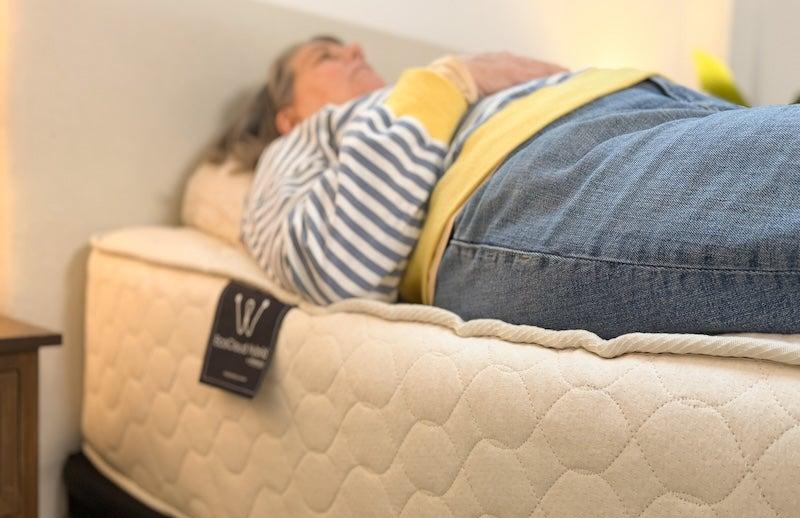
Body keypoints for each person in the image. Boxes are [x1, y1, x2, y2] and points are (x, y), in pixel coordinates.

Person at [212, 35, 800, 339]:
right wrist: (448, 79)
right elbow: (339, 267)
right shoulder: (290, 150)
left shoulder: (416, 109)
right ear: (286, 114)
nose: (356, 52)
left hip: (650, 110)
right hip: (528, 173)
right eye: (326, 55)